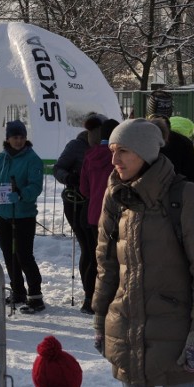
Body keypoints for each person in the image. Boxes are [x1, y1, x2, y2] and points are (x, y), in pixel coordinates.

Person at [93, 118, 194, 387]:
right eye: (112, 150)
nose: (114, 158)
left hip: (178, 337)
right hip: (127, 331)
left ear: (146, 152)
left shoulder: (185, 196)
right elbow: (106, 265)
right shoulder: (115, 196)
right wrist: (100, 318)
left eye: (123, 150)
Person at [0, 120, 45, 314]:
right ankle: (18, 290)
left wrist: (22, 194)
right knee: (9, 255)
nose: (19, 140)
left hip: (23, 215)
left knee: (24, 255)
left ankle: (36, 295)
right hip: (4, 214)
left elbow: (36, 186)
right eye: (15, 137)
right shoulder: (1, 158)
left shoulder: (32, 159)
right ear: (8, 138)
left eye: (22, 137)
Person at [52, 114, 104, 315]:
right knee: (88, 248)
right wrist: (69, 178)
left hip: (94, 201)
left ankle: (95, 291)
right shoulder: (76, 145)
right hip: (76, 202)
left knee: (96, 250)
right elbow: (58, 168)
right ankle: (88, 293)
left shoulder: (107, 147)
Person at [78, 118, 119, 314]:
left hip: (93, 213)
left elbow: (83, 188)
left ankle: (88, 298)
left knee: (93, 258)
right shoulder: (117, 157)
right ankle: (107, 299)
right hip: (114, 214)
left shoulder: (89, 155)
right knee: (111, 261)